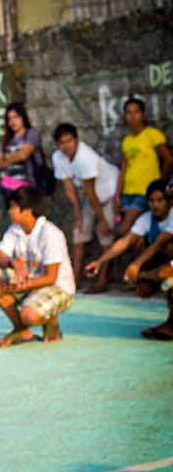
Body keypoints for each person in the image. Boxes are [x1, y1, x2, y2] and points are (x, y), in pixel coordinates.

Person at [86, 179, 173, 339]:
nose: (155, 205)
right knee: (144, 288)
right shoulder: (147, 218)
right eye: (152, 200)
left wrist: (136, 265)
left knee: (166, 254)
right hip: (165, 265)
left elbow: (160, 243)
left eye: (160, 200)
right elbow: (125, 241)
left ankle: (170, 325)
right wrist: (100, 261)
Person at [0, 186, 75, 347]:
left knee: (29, 315)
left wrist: (15, 287)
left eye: (13, 207)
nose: (9, 211)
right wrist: (12, 263)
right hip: (30, 282)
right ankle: (21, 330)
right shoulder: (15, 229)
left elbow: (51, 277)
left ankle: (51, 319)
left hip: (58, 287)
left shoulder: (50, 234)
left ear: (27, 210)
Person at [52, 123, 119, 293]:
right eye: (61, 142)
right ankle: (74, 280)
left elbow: (91, 191)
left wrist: (103, 220)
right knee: (78, 234)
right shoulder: (58, 157)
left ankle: (102, 281)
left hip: (109, 193)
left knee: (106, 237)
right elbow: (69, 188)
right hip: (91, 198)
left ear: (77, 140)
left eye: (69, 141)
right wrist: (79, 215)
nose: (65, 145)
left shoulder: (85, 157)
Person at [114, 97, 172, 235]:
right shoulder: (127, 141)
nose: (132, 116)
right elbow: (124, 168)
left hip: (145, 193)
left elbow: (169, 160)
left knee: (124, 229)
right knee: (137, 234)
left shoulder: (153, 134)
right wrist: (117, 194)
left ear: (143, 114)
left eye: (136, 112)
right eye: (128, 113)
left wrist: (160, 185)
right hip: (128, 193)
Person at [0, 102, 40, 205]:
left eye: (16, 117)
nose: (13, 121)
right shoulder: (6, 139)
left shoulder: (31, 133)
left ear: (23, 117)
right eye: (9, 118)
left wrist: (5, 158)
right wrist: (15, 156)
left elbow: (24, 155)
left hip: (27, 185)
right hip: (9, 186)